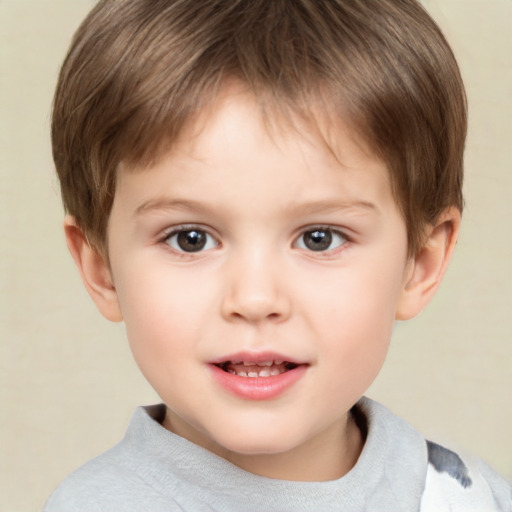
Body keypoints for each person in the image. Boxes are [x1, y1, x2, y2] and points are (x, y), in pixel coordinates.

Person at [44, 0, 511, 510]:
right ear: (102, 269)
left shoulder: (469, 497)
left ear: (419, 264)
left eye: (320, 238)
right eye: (190, 238)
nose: (255, 298)